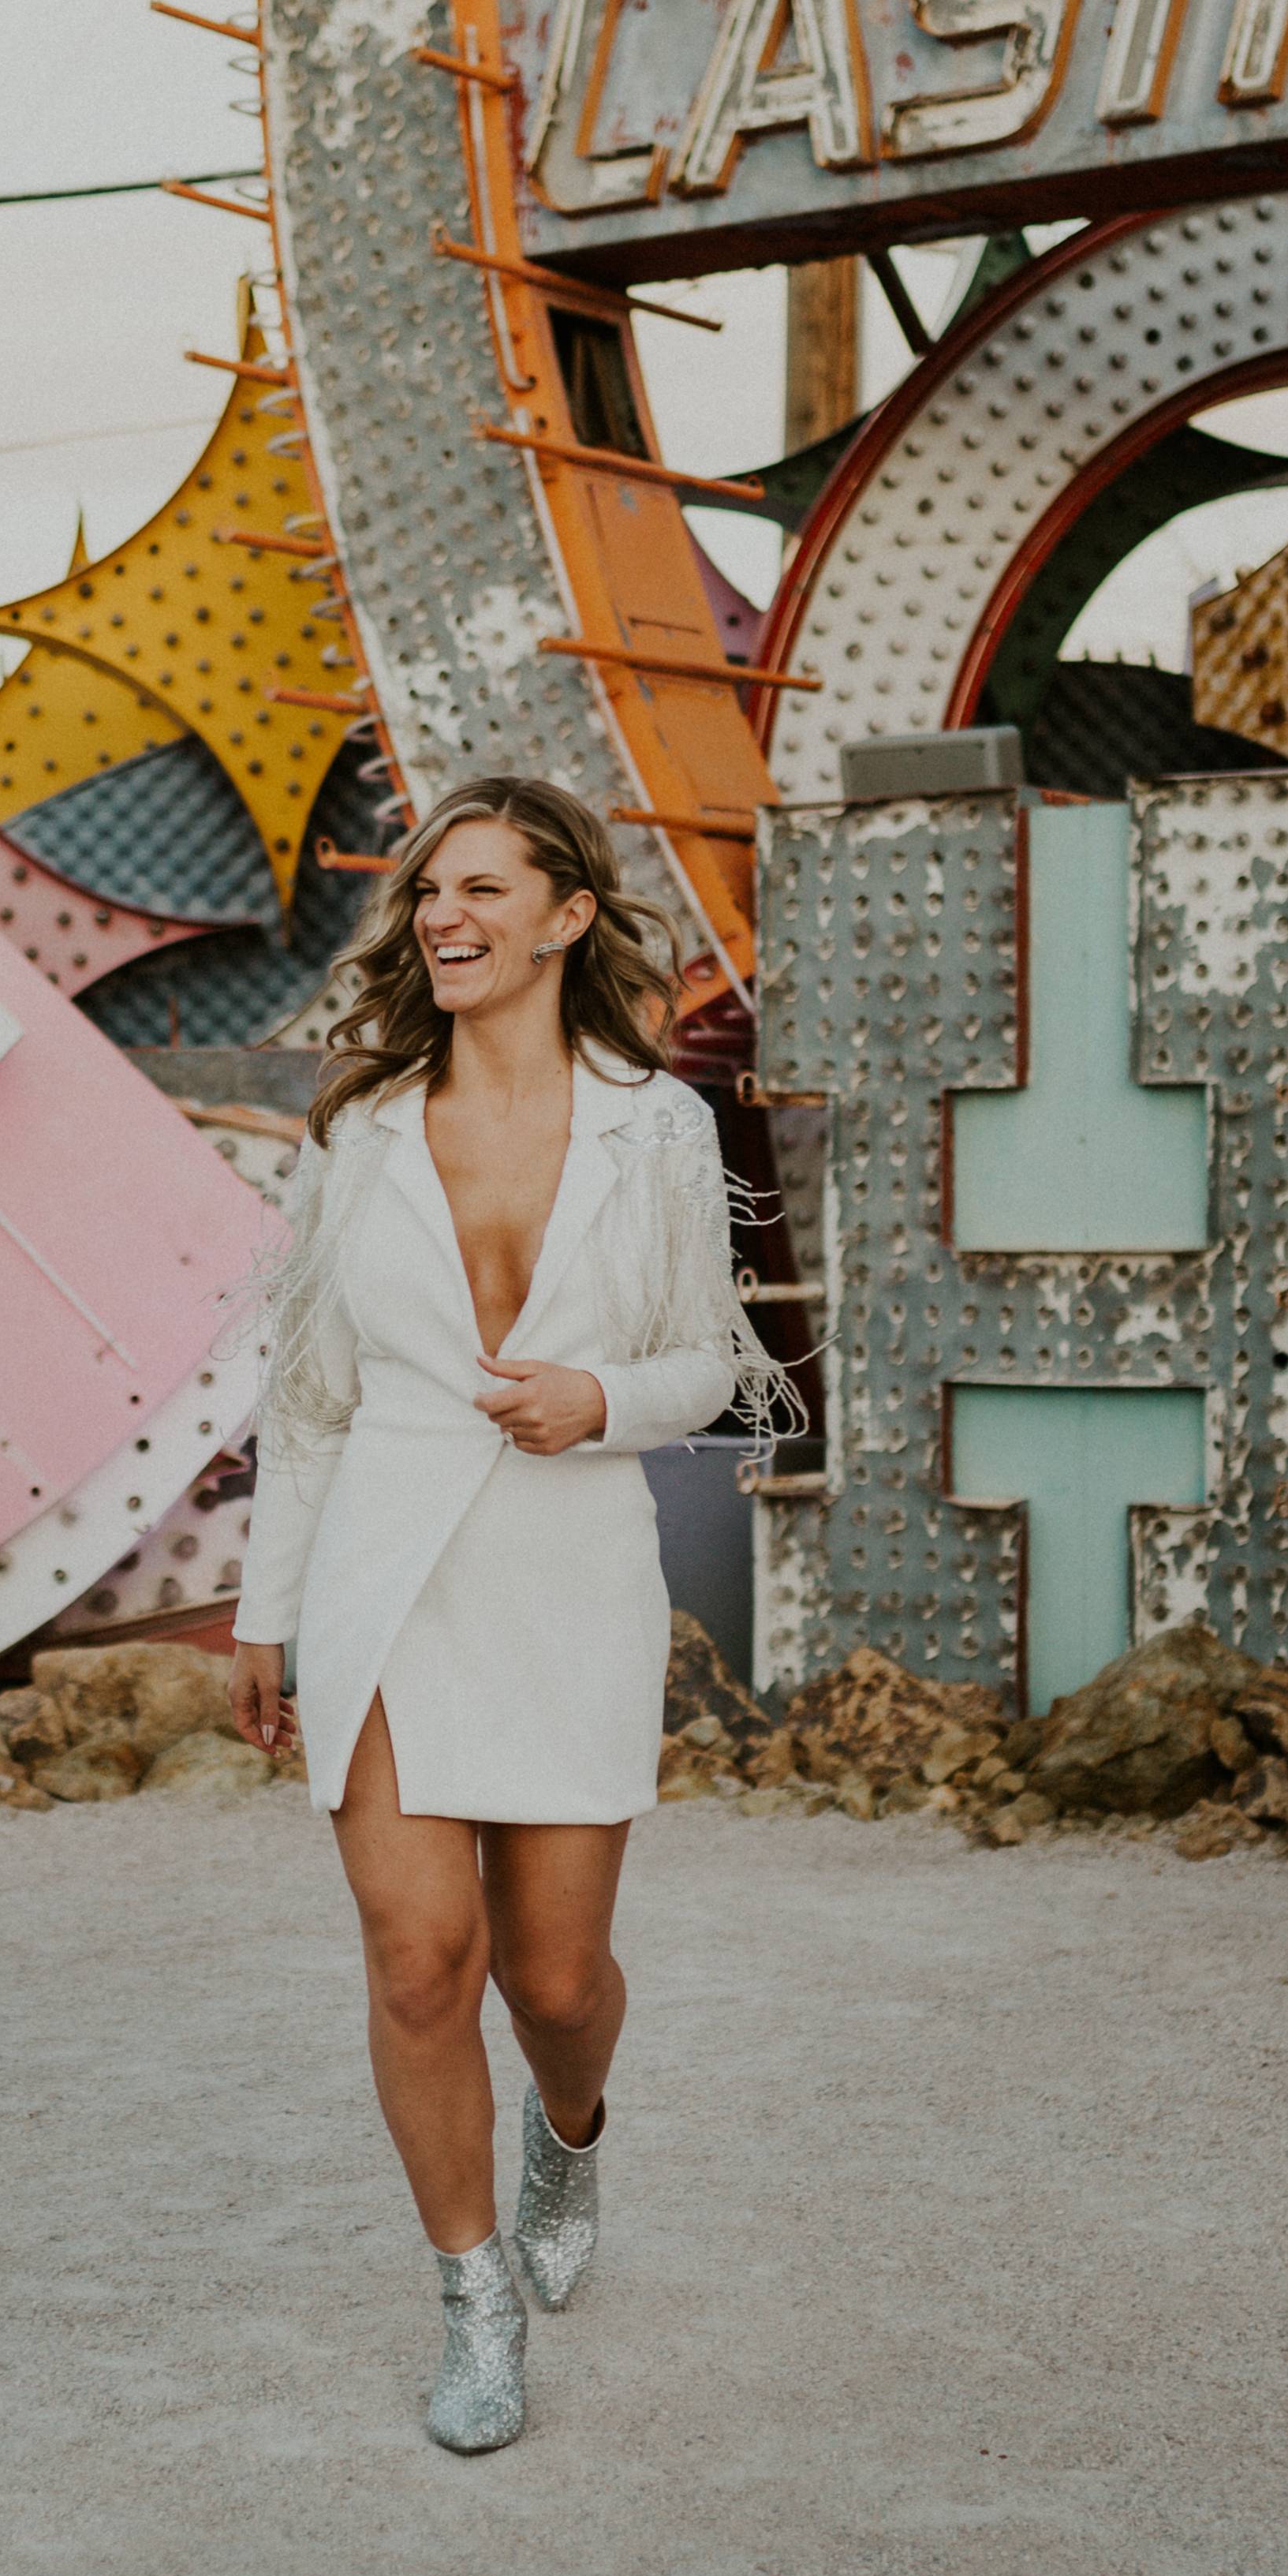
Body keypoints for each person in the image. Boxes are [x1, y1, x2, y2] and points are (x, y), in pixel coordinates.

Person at [229, 776, 788, 2453]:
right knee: (421, 1960)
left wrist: (598, 1396)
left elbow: (712, 1357)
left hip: (566, 1567)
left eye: (479, 886)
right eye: (424, 893)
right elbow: (309, 1394)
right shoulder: (359, 1124)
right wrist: (267, 1613)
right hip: (382, 1567)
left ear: (562, 915)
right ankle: (471, 2299)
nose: (440, 916)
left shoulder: (657, 1124)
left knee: (549, 1977)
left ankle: (571, 2117)